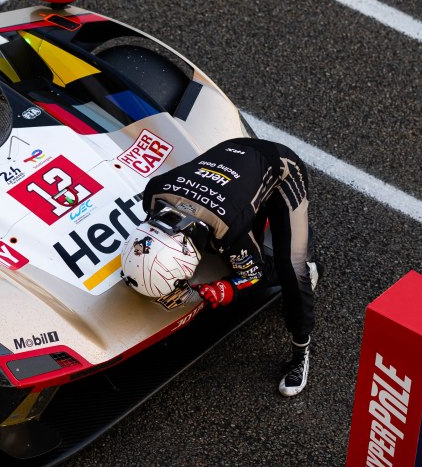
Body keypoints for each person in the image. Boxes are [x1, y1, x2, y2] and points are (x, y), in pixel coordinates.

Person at [120, 136, 317, 396]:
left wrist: (228, 289)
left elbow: (252, 274)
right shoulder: (155, 193)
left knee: (292, 269)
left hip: (282, 170)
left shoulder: (227, 226)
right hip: (231, 156)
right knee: (239, 253)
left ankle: (301, 351)